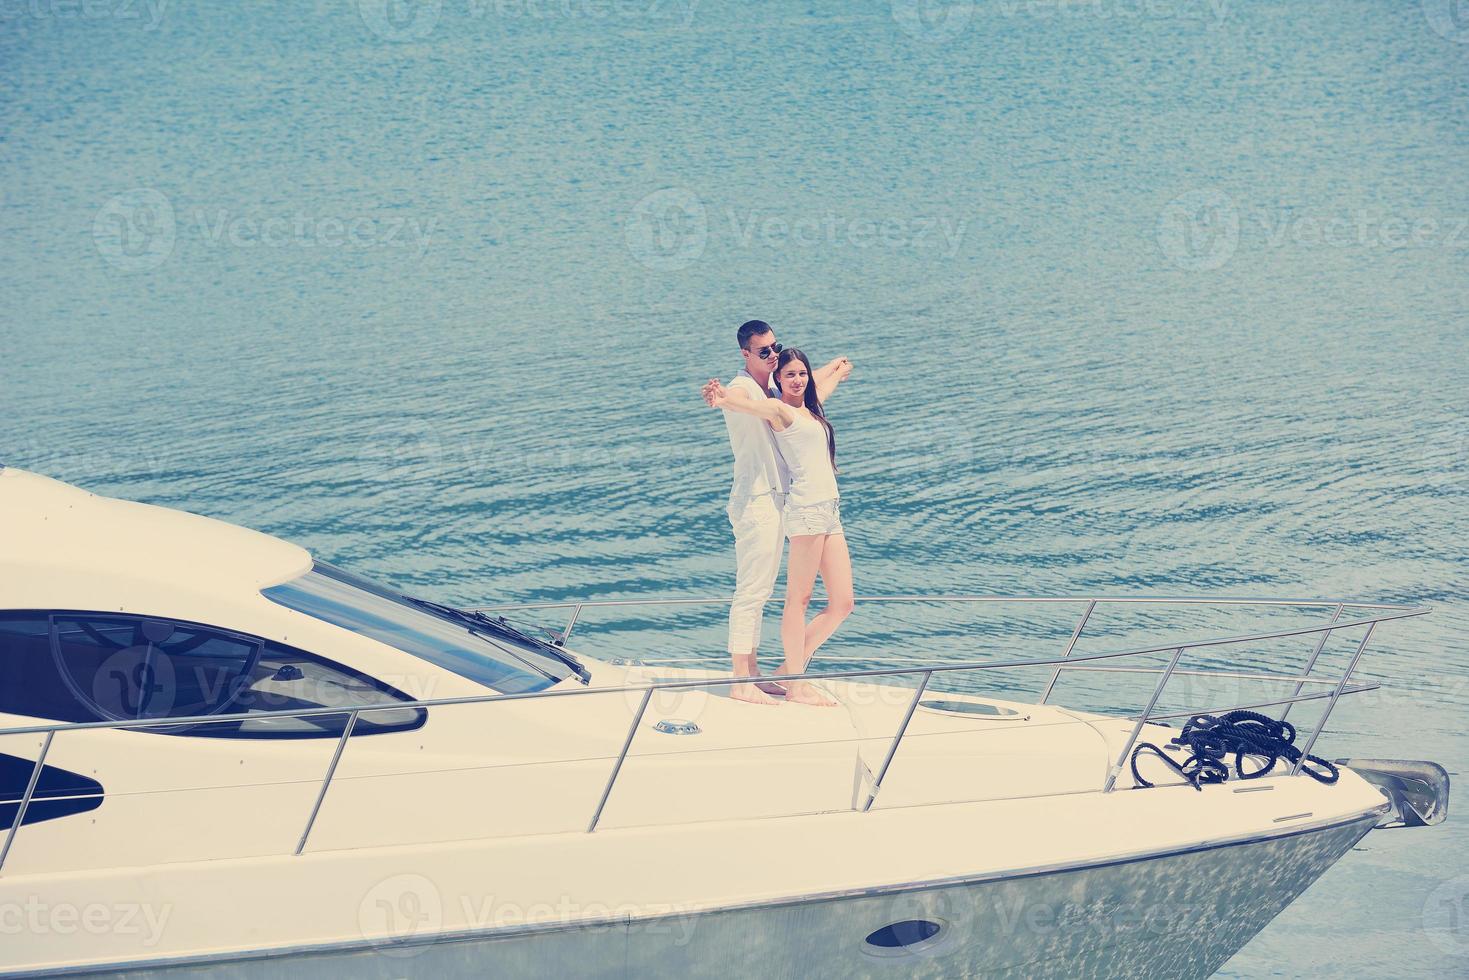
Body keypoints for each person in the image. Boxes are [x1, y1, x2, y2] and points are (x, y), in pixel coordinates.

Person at [704, 343, 853, 707]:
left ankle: (786, 669)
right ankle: (796, 684)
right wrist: (722, 399)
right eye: (790, 375)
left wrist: (835, 369)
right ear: (778, 380)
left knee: (843, 603)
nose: (798, 380)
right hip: (805, 511)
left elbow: (816, 385)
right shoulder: (779, 411)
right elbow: (748, 404)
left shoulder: (810, 408)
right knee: (798, 601)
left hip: (830, 511)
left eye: (802, 373)